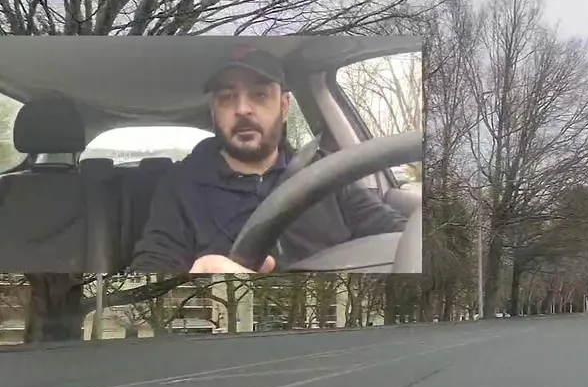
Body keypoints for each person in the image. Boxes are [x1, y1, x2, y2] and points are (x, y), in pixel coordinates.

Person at [130, 44, 407, 273]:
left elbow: (398, 235)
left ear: (284, 107)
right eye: (227, 97)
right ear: (214, 111)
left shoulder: (326, 172)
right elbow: (152, 264)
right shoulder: (181, 185)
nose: (242, 109)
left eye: (260, 94)